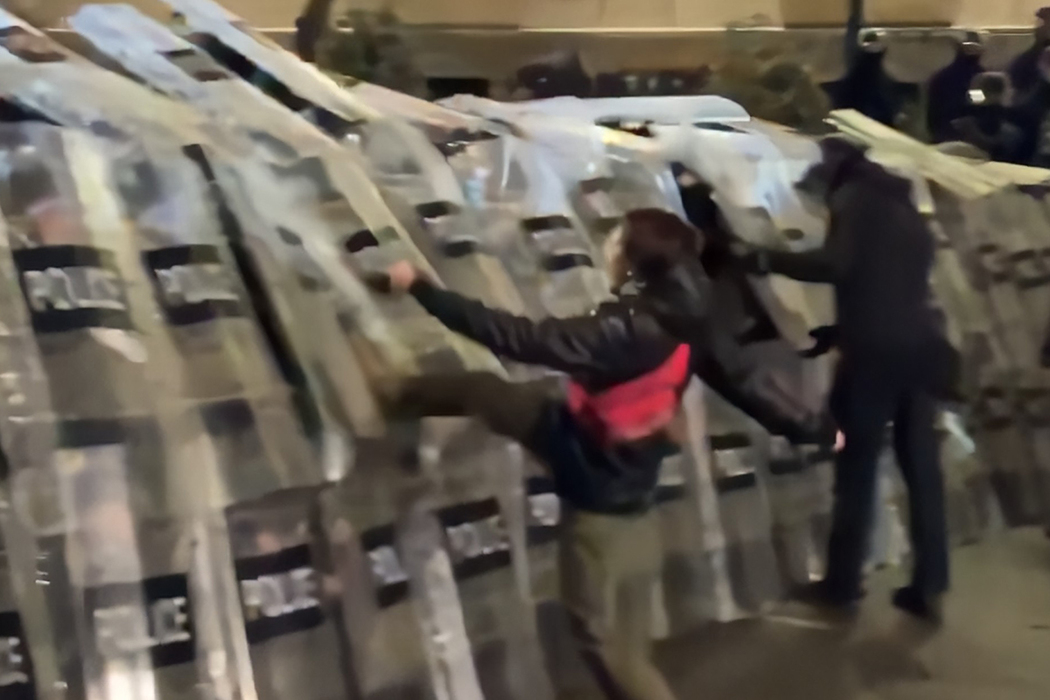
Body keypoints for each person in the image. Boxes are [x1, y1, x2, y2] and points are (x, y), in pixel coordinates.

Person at [373, 208, 830, 700]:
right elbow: (744, 380)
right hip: (624, 467)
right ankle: (394, 394)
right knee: (484, 391)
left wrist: (421, 288)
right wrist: (814, 428)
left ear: (637, 261)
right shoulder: (695, 309)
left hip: (592, 477)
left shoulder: (625, 329)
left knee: (601, 638)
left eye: (617, 241)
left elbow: (518, 338)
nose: (608, 249)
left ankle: (390, 394)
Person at [735, 137, 953, 621]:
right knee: (922, 468)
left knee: (856, 467)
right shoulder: (903, 205)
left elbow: (836, 264)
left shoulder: (854, 199)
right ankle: (931, 582)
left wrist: (764, 257)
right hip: (920, 347)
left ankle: (842, 583)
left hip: (874, 356)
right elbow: (889, 285)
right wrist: (837, 330)